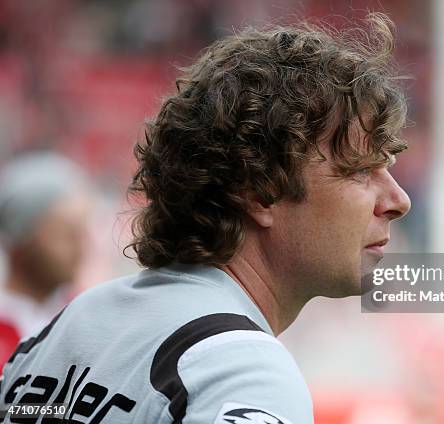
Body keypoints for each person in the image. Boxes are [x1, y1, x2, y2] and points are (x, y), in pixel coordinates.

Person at [0, 13, 410, 424]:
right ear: (259, 189)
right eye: (359, 169)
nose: (399, 200)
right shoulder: (243, 373)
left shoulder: (67, 327)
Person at [0, 152, 90, 368]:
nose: (80, 249)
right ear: (21, 240)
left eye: (81, 234)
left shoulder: (88, 315)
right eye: (66, 235)